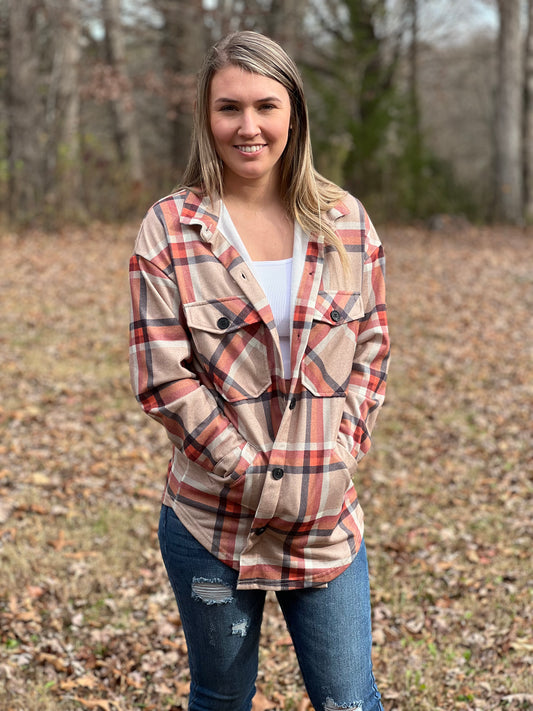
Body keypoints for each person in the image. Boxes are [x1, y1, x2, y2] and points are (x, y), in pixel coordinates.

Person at [129, 30, 390, 711]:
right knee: (220, 697)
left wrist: (335, 457)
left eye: (265, 106)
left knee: (347, 699)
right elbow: (164, 377)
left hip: (325, 519)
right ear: (205, 118)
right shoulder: (170, 229)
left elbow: (371, 350)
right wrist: (251, 476)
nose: (248, 126)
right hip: (210, 524)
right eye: (228, 108)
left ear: (293, 114)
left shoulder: (346, 224)